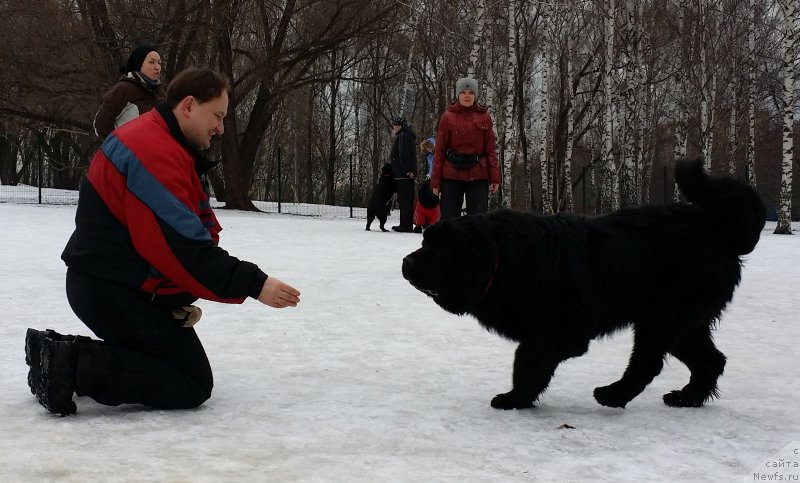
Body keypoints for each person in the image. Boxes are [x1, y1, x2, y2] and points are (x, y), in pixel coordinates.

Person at [25, 67, 301, 416]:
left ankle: (52, 353)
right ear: (188, 106)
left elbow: (186, 233)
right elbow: (185, 250)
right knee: (190, 381)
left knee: (179, 367)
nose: (220, 127)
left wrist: (175, 296)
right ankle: (67, 364)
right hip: (111, 291)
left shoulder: (159, 143)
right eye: (216, 115)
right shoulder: (153, 152)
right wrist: (256, 284)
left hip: (113, 285)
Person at [431, 77, 500, 219]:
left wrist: (495, 178)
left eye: (470, 92)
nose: (467, 96)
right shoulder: (447, 117)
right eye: (463, 92)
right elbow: (439, 152)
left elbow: (490, 150)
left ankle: (476, 242)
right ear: (458, 95)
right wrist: (435, 182)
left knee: (478, 221)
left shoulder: (485, 117)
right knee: (449, 221)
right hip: (451, 175)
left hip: (478, 174)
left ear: (475, 95)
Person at [93, 45, 167, 141]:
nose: (157, 67)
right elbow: (100, 123)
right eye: (152, 62)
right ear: (139, 64)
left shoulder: (160, 94)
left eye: (159, 63)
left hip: (153, 153)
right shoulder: (124, 89)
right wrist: (118, 149)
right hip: (126, 153)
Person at [389, 116, 417, 232]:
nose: (394, 128)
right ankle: (407, 224)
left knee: (404, 200)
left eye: (395, 126)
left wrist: (406, 171)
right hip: (408, 173)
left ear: (400, 126)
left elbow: (403, 154)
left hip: (403, 174)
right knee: (408, 199)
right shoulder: (408, 135)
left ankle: (405, 225)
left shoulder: (402, 136)